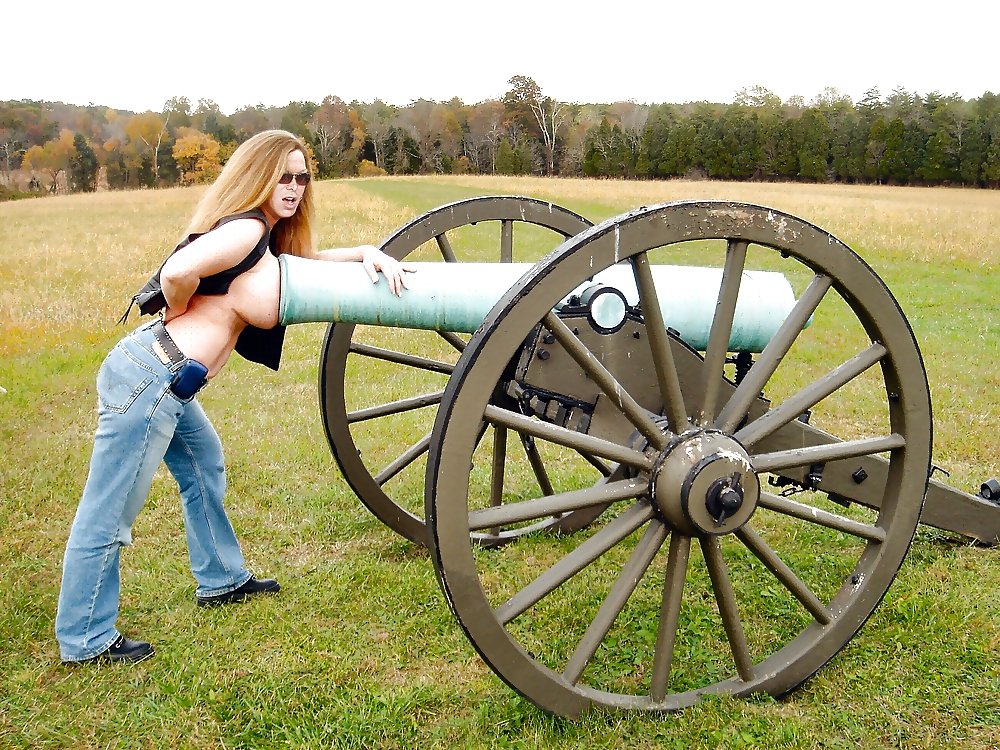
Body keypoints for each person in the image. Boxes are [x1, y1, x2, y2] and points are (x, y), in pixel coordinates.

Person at [56, 130, 413, 664]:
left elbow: (305, 264)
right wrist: (177, 310)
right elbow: (177, 271)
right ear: (259, 176)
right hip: (152, 376)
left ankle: (221, 579)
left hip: (170, 379)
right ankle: (84, 638)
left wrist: (366, 253)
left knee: (204, 463)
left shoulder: (266, 239)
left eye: (301, 178)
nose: (292, 187)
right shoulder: (247, 227)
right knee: (111, 507)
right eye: (282, 176)